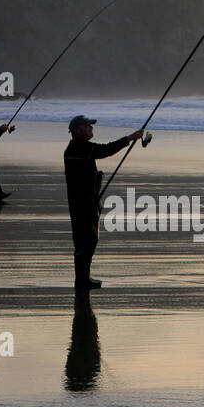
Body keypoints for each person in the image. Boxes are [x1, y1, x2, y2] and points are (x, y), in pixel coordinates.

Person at [63, 115, 144, 290]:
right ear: (77, 131)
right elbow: (106, 150)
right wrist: (130, 138)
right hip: (83, 203)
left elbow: (102, 151)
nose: (91, 129)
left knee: (86, 240)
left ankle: (83, 279)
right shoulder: (79, 148)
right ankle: (82, 281)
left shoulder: (77, 147)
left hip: (86, 200)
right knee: (87, 240)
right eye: (87, 126)